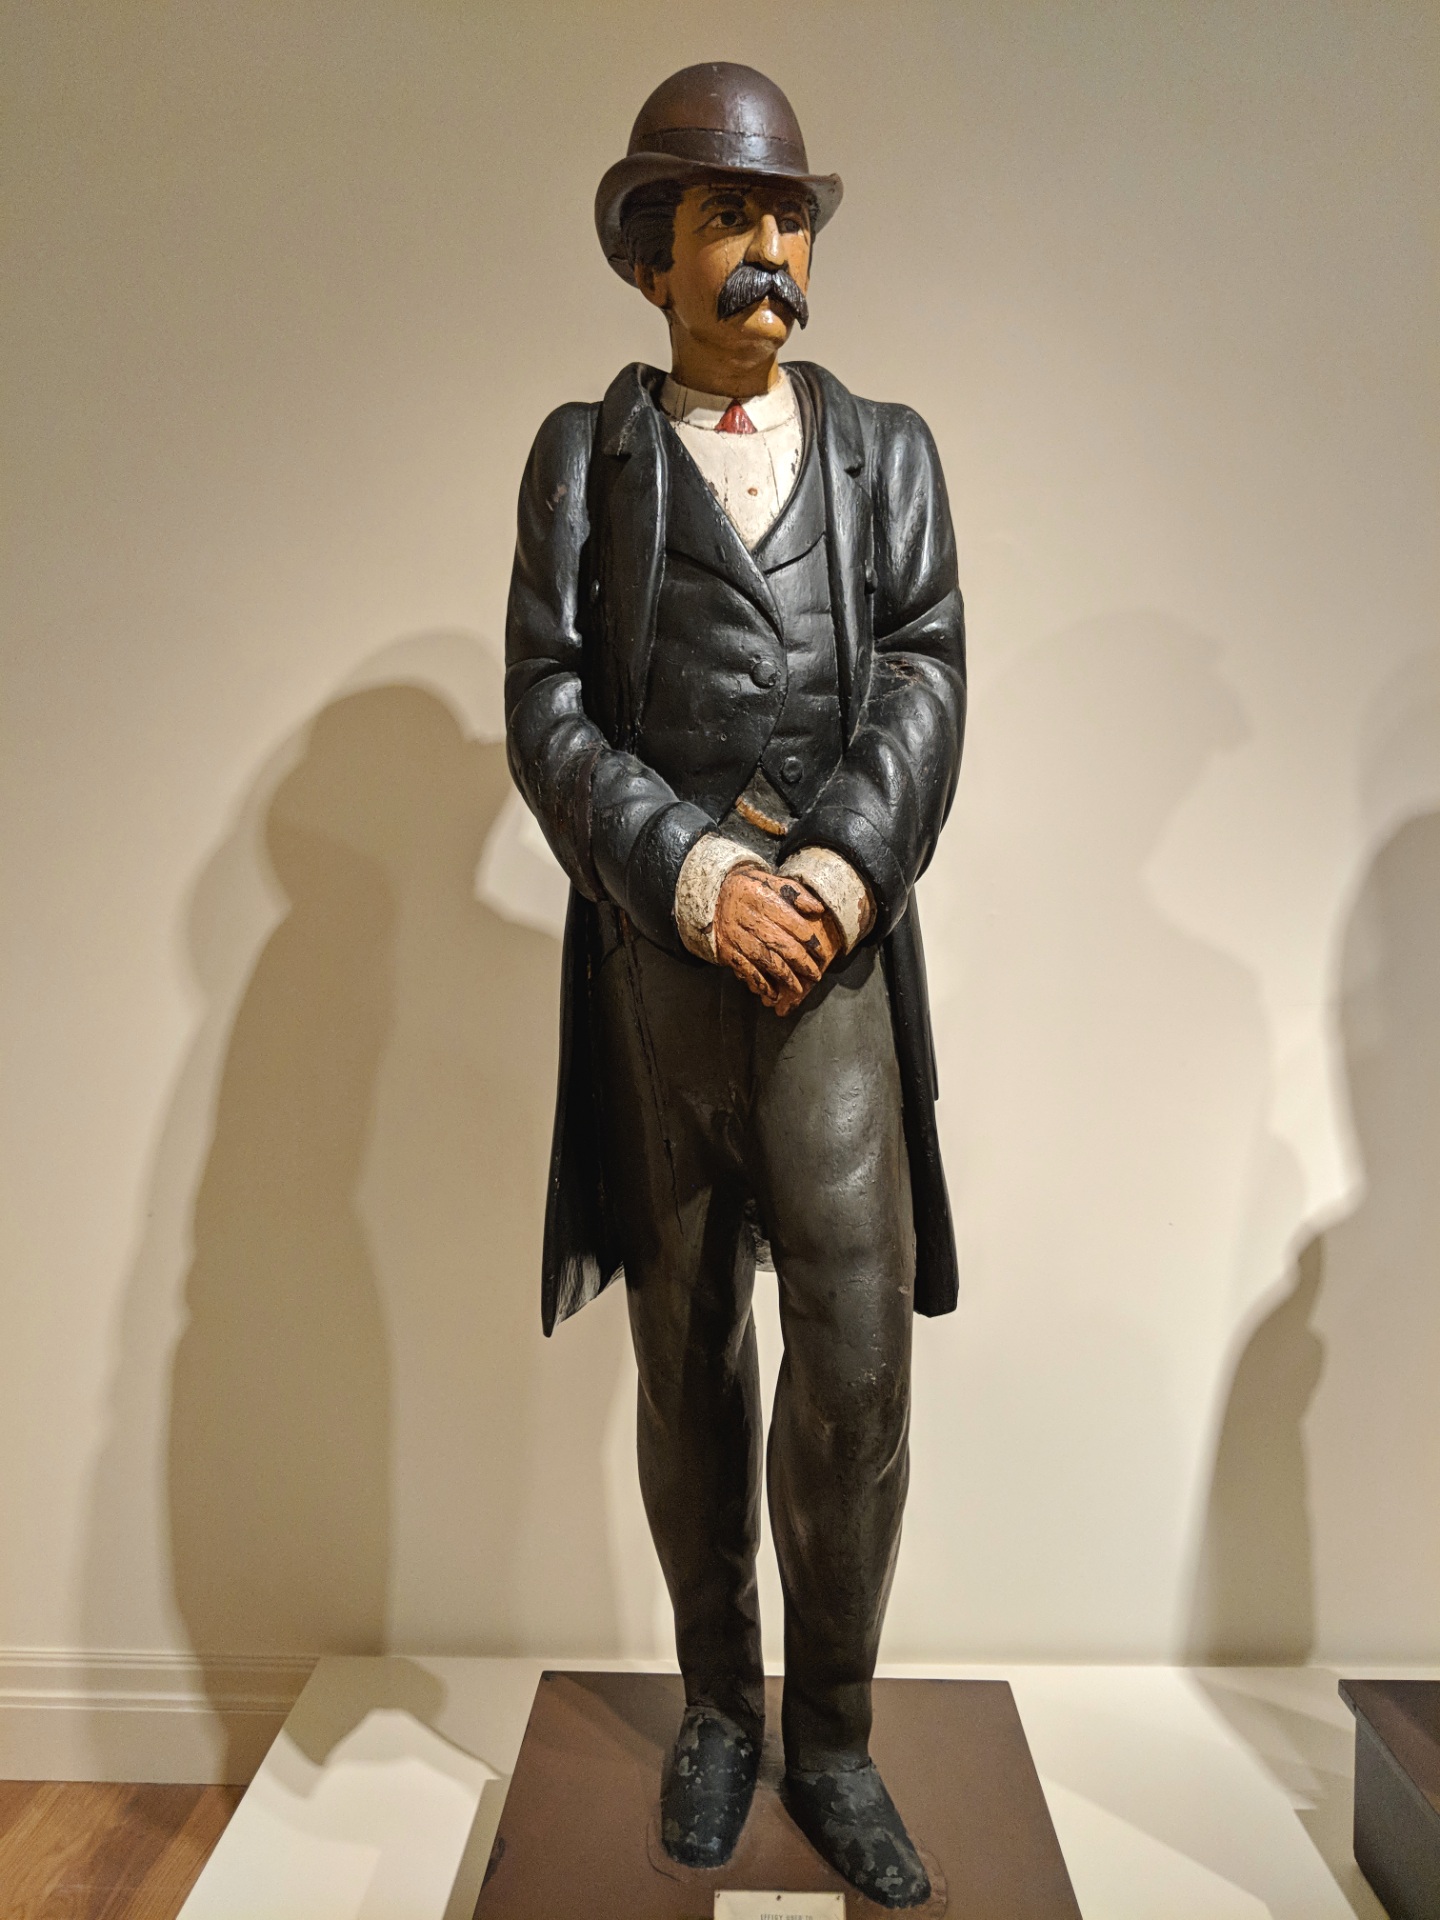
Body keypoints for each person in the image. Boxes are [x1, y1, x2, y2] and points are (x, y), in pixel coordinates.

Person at [505, 61, 965, 1909]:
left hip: (831, 975)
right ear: (654, 257)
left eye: (785, 217)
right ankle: (716, 1710)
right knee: (688, 1355)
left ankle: (832, 1740)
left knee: (854, 1362)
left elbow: (924, 671)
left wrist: (836, 871)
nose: (767, 249)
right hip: (658, 978)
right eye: (726, 217)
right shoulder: (581, 455)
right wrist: (695, 878)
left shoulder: (888, 451)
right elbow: (545, 706)